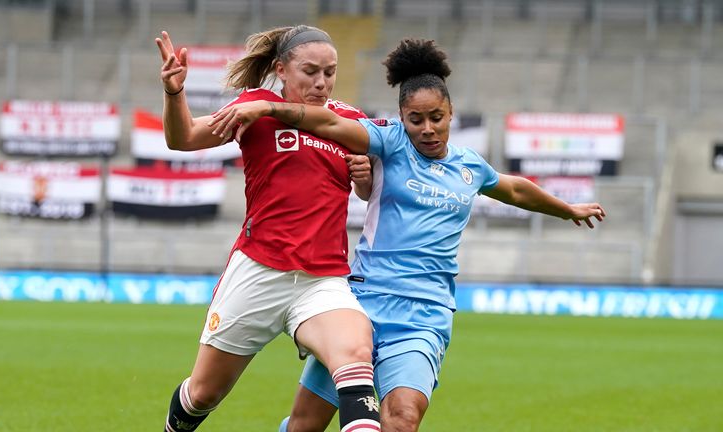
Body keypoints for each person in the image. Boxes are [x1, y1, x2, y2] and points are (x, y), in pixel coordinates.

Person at [208, 38, 606, 432]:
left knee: (402, 420)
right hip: (362, 304)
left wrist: (566, 209)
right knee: (303, 427)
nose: (428, 128)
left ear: (451, 114)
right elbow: (327, 122)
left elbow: (515, 189)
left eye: (437, 117)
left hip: (424, 314)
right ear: (402, 118)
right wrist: (267, 107)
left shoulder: (470, 167)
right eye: (416, 119)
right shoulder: (389, 142)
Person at [156, 26, 381, 432]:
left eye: (330, 72)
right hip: (258, 272)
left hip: (323, 280)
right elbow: (183, 138)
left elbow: (370, 191)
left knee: (356, 352)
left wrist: (364, 178)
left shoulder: (348, 120)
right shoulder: (254, 106)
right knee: (204, 393)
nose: (321, 82)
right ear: (280, 68)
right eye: (310, 71)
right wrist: (175, 94)